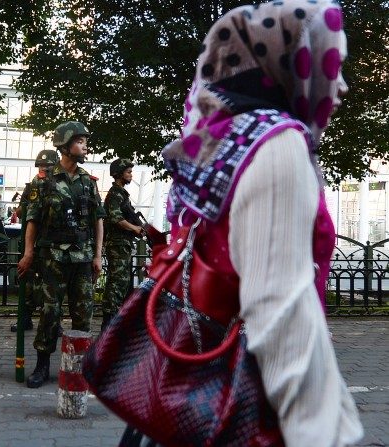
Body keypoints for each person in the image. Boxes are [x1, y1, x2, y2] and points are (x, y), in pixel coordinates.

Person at [121, 1, 363, 445]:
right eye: (333, 64)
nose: (341, 85)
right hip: (241, 403)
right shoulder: (278, 144)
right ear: (293, 63)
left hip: (189, 389)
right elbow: (281, 319)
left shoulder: (216, 137)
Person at [17, 121, 105, 388]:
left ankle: (79, 368)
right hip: (53, 258)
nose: (85, 146)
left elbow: (97, 220)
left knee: (83, 313)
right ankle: (42, 367)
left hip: (82, 257)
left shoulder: (88, 182)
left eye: (84, 142)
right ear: (65, 146)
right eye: (80, 141)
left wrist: (98, 255)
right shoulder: (43, 182)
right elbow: (32, 220)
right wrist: (28, 253)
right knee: (49, 312)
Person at [10, 149, 59, 332]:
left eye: (47, 166)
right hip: (34, 242)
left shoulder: (62, 184)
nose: (43, 169)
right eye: (41, 166)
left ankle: (54, 322)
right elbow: (20, 212)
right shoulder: (32, 186)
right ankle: (25, 318)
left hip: (54, 243)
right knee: (28, 281)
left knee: (54, 284)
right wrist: (28, 205)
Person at [101, 158, 143, 331]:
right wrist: (134, 228)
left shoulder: (121, 194)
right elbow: (115, 218)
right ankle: (108, 323)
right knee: (116, 282)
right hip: (117, 244)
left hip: (122, 244)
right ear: (118, 174)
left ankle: (116, 321)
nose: (131, 175)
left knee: (123, 282)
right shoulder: (115, 194)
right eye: (128, 172)